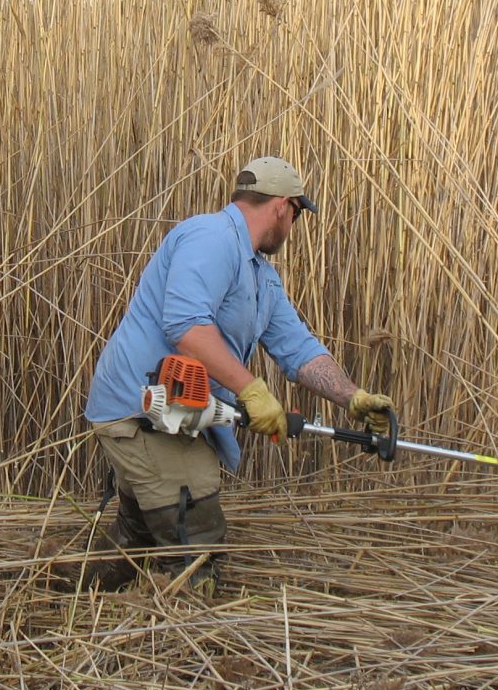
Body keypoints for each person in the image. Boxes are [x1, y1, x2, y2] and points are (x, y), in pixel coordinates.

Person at [81, 155, 394, 592]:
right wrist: (252, 391)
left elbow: (298, 349)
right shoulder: (211, 239)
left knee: (139, 538)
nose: (294, 225)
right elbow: (185, 326)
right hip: (139, 409)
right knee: (197, 534)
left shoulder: (262, 276)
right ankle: (188, 641)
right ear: (284, 206)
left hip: (172, 414)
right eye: (299, 213)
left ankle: (65, 595)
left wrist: (353, 398)